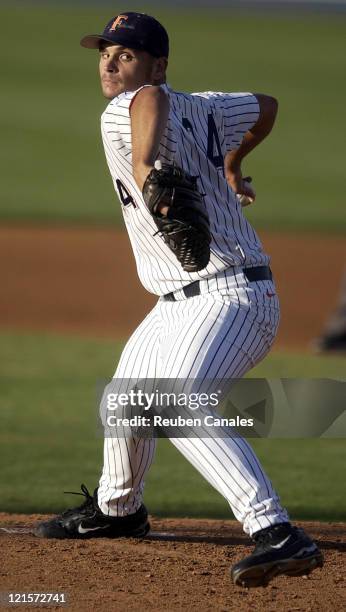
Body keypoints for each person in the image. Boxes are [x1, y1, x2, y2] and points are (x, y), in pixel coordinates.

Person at [35, 12, 323, 588]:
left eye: (127, 55)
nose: (111, 64)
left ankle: (277, 532)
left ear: (158, 65)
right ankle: (119, 512)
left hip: (232, 295)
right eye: (105, 53)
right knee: (127, 401)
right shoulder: (209, 105)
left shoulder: (130, 105)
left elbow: (148, 104)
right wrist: (235, 161)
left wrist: (146, 168)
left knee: (183, 402)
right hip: (180, 305)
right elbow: (266, 105)